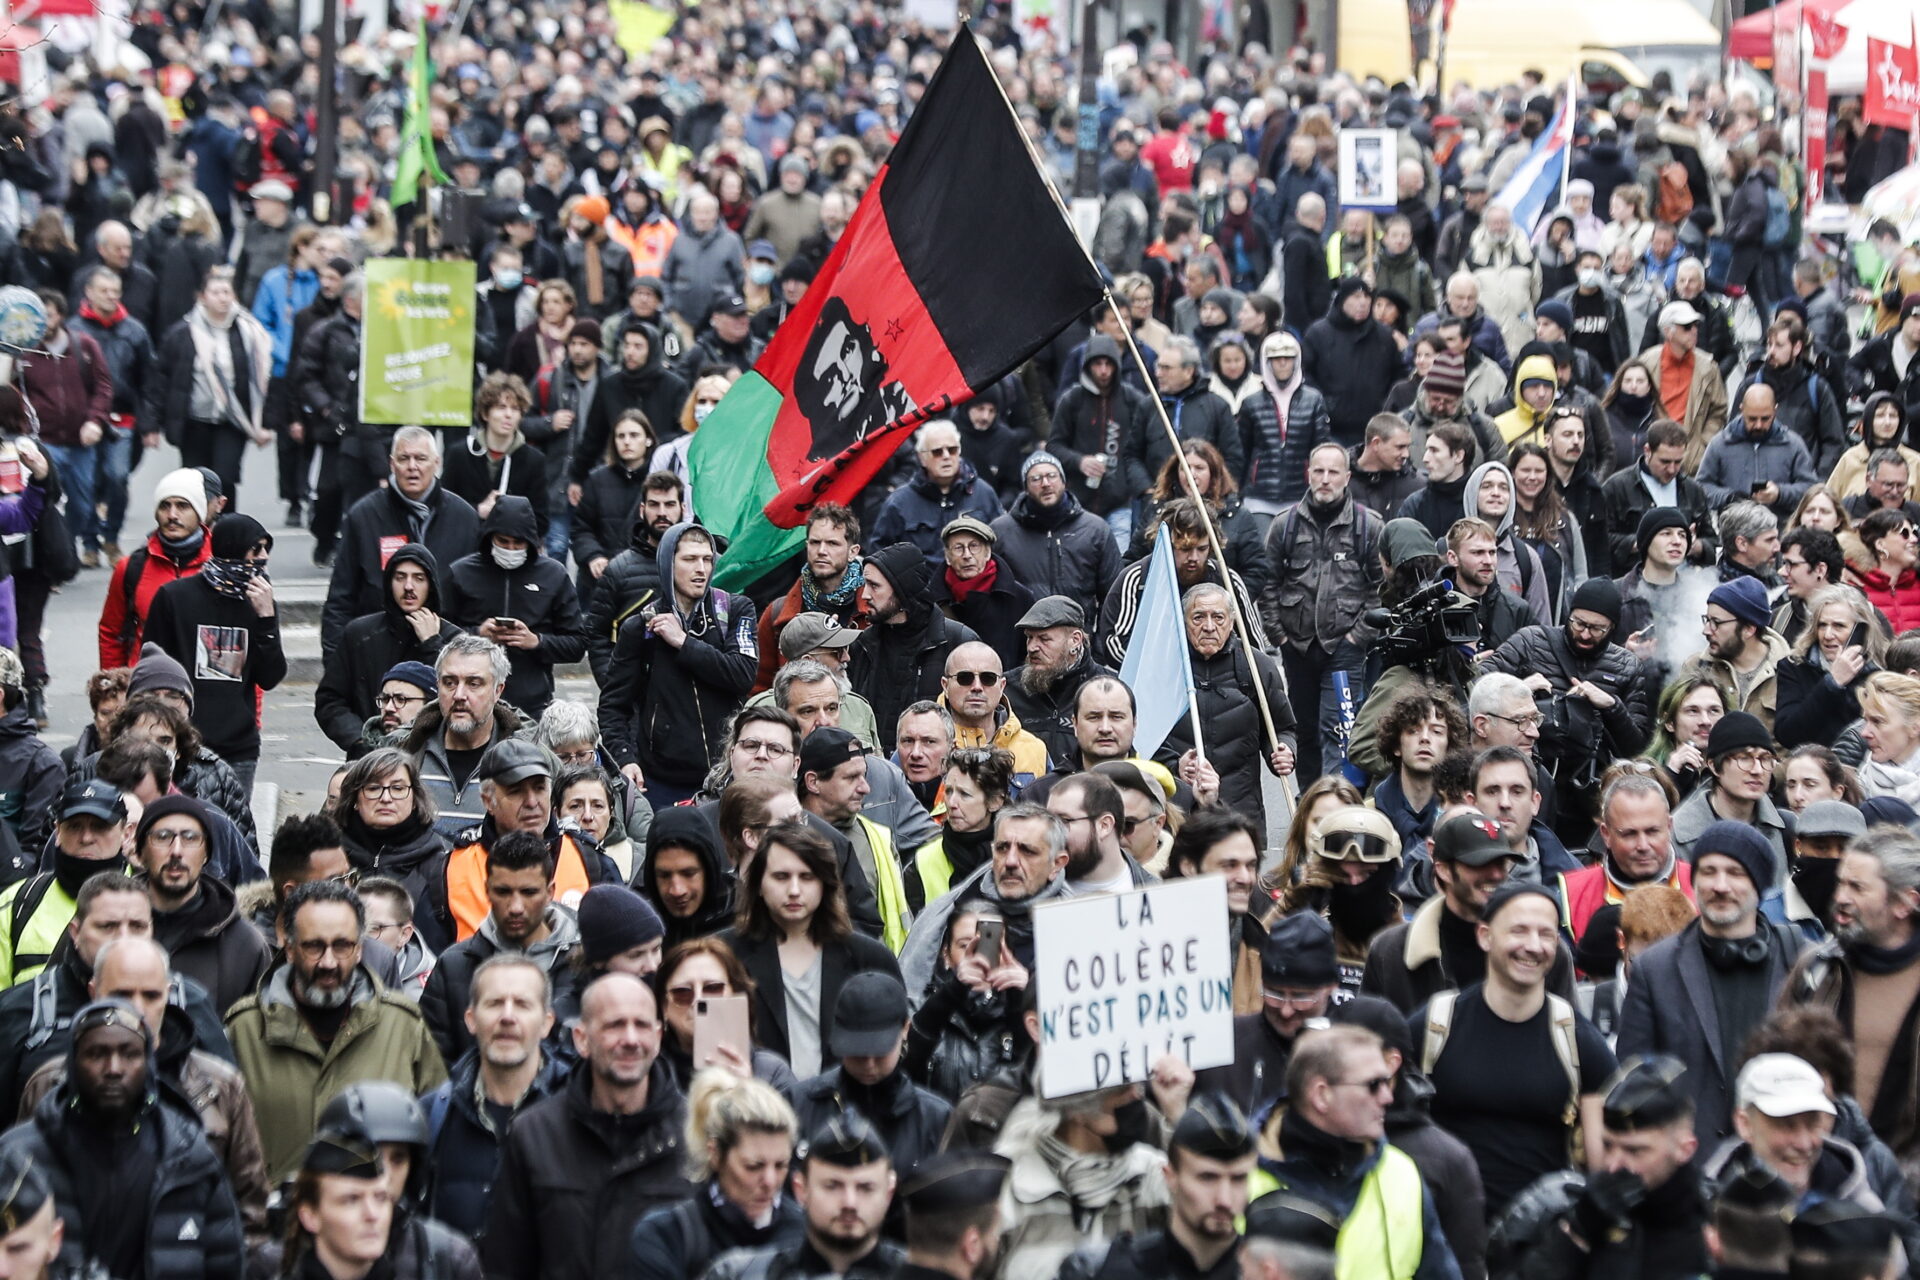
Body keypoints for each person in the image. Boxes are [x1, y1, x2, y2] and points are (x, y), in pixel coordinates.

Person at [17, 932, 269, 1240]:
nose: (138, 1008)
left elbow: (251, 1215)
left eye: (151, 995)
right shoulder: (50, 1085)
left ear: (168, 994)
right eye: (122, 994)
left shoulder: (220, 1086)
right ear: (94, 993)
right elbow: (21, 1200)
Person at [0, 999, 244, 1279]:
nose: (113, 1068)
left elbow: (226, 1262)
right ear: (72, 1063)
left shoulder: (188, 1155)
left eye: (129, 1054)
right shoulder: (19, 1157)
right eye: (96, 1054)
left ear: (149, 1062)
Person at [1415, 882, 1615, 1215]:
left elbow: (1601, 1162)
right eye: (1519, 931)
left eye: (1546, 934)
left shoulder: (1577, 1039)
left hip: (1540, 1242)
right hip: (1441, 1234)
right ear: (1485, 936)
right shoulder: (1436, 1024)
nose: (1533, 946)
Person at [225, 881, 448, 1180]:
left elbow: (437, 1134)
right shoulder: (245, 1030)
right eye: (314, 946)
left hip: (374, 1218)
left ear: (359, 950)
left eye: (342, 946)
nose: (328, 963)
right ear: (290, 949)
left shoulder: (403, 1026)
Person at [481, 972, 691, 1280]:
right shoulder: (535, 1135)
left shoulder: (697, 1136)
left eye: (642, 1025)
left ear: (658, 1037)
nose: (631, 1039)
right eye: (614, 1025)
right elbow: (507, 1265)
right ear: (582, 1039)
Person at [0, 873, 228, 1124]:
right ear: (75, 932)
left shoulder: (190, 1004)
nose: (124, 938)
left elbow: (229, 1109)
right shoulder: (22, 1011)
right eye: (108, 926)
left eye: (137, 926)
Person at [1241, 1025, 1462, 1280]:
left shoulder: (1401, 1173)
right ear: (1321, 1095)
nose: (1387, 1097)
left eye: (1388, 1082)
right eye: (1373, 1085)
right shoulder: (1238, 1177)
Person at [1495, 1055, 1710, 1280]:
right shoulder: (1556, 1205)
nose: (1613, 1164)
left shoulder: (1715, 1220)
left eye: (1634, 1151)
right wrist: (1576, 1233)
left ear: (1685, 1149)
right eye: (1607, 1145)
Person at [1778, 824, 1920, 1160]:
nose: (1840, 896)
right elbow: (1775, 1064)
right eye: (1841, 882)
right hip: (1819, 1176)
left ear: (1905, 903)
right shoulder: (1817, 968)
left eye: (1857, 887)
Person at [719, 820, 900, 1078]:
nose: (794, 890)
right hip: (756, 1105)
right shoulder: (723, 956)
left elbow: (895, 1048)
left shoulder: (869, 958)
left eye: (806, 877)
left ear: (825, 884)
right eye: (781, 877)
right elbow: (712, 1057)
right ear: (758, 883)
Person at [600, 521, 758, 805]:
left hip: (728, 776)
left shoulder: (735, 609)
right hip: (662, 782)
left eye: (707, 559)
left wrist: (684, 643)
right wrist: (624, 758)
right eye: (690, 559)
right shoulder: (641, 627)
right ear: (667, 564)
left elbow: (743, 674)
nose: (701, 568)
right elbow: (613, 705)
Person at [1480, 577, 1653, 829]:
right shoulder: (1531, 641)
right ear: (1568, 615)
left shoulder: (1627, 666)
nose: (1584, 633)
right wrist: (1518, 689)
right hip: (1527, 773)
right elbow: (1477, 686)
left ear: (1612, 628)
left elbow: (1637, 748)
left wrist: (1611, 706)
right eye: (1578, 623)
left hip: (1587, 791)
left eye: (1597, 628)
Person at [139, 512, 285, 792]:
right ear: (232, 548)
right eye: (256, 549)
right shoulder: (174, 597)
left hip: (238, 746)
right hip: (181, 742)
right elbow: (152, 665)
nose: (263, 557)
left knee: (233, 828)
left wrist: (266, 619)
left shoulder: (260, 603)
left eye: (267, 548)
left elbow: (270, 676)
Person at [1263, 444, 1384, 781]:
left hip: (1344, 650)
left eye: (1333, 472)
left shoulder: (1368, 526)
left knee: (1339, 728)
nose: (1325, 479)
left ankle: (1334, 800)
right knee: (1302, 729)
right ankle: (1307, 804)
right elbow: (1267, 583)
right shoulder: (1284, 525)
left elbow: (1381, 589)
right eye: (1319, 471)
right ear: (1309, 473)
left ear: (1347, 477)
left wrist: (1358, 636)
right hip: (1296, 646)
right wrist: (1279, 635)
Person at [419, 830, 580, 1066]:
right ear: (487, 890)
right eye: (503, 892)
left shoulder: (586, 963)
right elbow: (431, 1070)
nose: (515, 907)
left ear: (550, 892)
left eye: (528, 892)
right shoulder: (453, 966)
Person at [629, 1071, 804, 1280]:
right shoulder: (667, 1234)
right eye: (753, 1167)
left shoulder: (805, 1234)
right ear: (716, 1154)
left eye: (781, 1166)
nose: (770, 1181)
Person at [322, 428, 481, 652]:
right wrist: (335, 663)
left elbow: (476, 599)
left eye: (421, 458)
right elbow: (341, 597)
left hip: (445, 651)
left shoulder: (464, 518)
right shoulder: (363, 516)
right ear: (391, 463)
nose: (412, 467)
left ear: (437, 463)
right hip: (378, 649)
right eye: (404, 458)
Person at [1155, 582, 1296, 833]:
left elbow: (1283, 728)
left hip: (1239, 811)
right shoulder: (1163, 667)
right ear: (1183, 620)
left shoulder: (1256, 666)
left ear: (1231, 621)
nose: (1209, 626)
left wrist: (1285, 753)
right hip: (1177, 811)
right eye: (1198, 617)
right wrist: (1174, 764)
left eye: (1218, 617)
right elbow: (1142, 736)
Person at [704, 1110, 904, 1280]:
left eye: (865, 1188)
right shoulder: (739, 1274)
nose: (849, 1203)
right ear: (801, 1189)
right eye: (832, 1186)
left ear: (889, 1192)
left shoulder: (925, 1275)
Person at [441, 495, 587, 720]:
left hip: (532, 701)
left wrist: (536, 642)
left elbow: (577, 644)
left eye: (518, 543)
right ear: (490, 538)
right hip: (470, 700)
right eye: (503, 541)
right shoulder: (461, 573)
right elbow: (438, 632)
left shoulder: (553, 575)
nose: (511, 549)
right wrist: (476, 635)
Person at [793, 968, 950, 1177]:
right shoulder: (799, 1104)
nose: (869, 1064)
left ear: (905, 1029)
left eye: (880, 1052)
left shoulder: (935, 1119)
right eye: (856, 1052)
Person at [315, 543, 463, 757]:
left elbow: (461, 701)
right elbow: (330, 700)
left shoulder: (453, 639)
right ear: (388, 582)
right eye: (400, 577)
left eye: (418, 578)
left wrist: (432, 644)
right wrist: (360, 739)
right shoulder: (360, 634)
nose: (409, 586)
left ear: (431, 585)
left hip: (434, 759)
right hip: (369, 759)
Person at [132, 792, 271, 1014]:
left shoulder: (244, 946)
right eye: (162, 836)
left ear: (206, 853)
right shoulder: (106, 923)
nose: (176, 851)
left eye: (190, 838)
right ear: (140, 853)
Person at [145, 265, 273, 503]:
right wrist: (151, 424)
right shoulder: (181, 334)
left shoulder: (248, 332)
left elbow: (260, 378)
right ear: (202, 297)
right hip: (194, 420)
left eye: (227, 292)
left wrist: (265, 421)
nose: (223, 298)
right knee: (196, 481)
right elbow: (161, 378)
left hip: (233, 420)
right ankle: (200, 534)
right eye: (216, 292)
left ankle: (226, 531)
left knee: (225, 477)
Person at [848, 543, 979, 755]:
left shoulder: (958, 642)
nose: (865, 595)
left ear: (901, 589)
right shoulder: (863, 645)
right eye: (865, 585)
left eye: (874, 586)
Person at [0, 780, 130, 989]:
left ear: (126, 832)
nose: (86, 837)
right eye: (75, 826)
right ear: (57, 830)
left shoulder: (151, 899)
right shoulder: (17, 903)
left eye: (100, 826)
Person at [328, 748, 453, 951]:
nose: (386, 798)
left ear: (414, 799)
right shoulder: (331, 858)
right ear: (354, 800)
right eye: (374, 788)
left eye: (398, 788)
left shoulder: (441, 864)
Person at [97, 468, 214, 669]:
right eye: (164, 506)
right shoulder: (132, 567)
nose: (172, 515)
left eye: (183, 506)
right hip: (147, 690)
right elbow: (111, 633)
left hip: (206, 691)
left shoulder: (221, 565)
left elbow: (243, 644)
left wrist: (252, 701)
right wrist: (116, 689)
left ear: (200, 512)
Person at [1559, 773, 1694, 945]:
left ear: (1669, 827)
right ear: (1606, 834)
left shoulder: (1702, 887)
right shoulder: (1569, 894)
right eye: (1630, 834)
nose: (1643, 845)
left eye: (1652, 831)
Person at [990, 453, 1124, 618]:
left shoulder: (1095, 529)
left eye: (1051, 476)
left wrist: (1099, 640)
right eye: (1036, 479)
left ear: (1064, 481)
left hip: (1078, 637)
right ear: (1025, 487)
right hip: (1022, 636)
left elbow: (1114, 595)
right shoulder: (1001, 531)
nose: (1045, 484)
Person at [754, 504, 869, 695]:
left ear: (853, 551)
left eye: (832, 543)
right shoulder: (778, 614)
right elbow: (759, 686)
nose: (822, 551)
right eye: (815, 542)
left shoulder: (872, 612)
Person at [587, 472, 687, 682]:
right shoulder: (619, 569)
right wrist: (611, 685)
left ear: (683, 508)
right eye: (654, 504)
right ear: (642, 510)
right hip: (633, 694)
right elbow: (597, 634)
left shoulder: (702, 566)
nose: (662, 513)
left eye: (669, 504)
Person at [872, 421, 1005, 569]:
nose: (946, 456)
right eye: (937, 452)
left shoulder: (984, 493)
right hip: (920, 589)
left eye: (952, 450)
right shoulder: (898, 502)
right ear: (922, 457)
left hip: (973, 587)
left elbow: (1000, 546)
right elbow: (879, 556)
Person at [1003, 598, 1117, 768]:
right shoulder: (1007, 689)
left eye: (1044, 639)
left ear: (1075, 640)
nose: (1032, 647)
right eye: (1029, 637)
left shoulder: (1110, 689)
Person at [442, 373, 552, 537]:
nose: (508, 414)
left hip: (512, 549)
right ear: (485, 414)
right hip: (464, 548)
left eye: (515, 409)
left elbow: (541, 521)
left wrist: (505, 513)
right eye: (501, 407)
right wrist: (478, 510)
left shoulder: (534, 460)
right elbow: (443, 508)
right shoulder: (460, 453)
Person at [1625, 300, 1729, 470]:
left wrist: (1703, 445)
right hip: (1652, 454)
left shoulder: (1708, 367)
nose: (1694, 331)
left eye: (1695, 325)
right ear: (1668, 332)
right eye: (1687, 327)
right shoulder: (1647, 363)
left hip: (1692, 460)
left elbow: (1719, 411)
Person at [1777, 585, 1882, 750]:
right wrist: (1832, 683)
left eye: (1838, 626)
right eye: (1822, 625)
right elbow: (1787, 735)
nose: (1827, 635)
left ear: (1860, 630)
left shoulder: (1877, 673)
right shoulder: (1794, 666)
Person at [1681, 575, 1793, 731]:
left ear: (1748, 629)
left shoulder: (1790, 671)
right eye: (1707, 620)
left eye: (1716, 623)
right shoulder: (1696, 667)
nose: (1706, 630)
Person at [1698, 384, 1820, 520]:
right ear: (1741, 410)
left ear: (1775, 411)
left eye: (1765, 419)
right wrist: (1730, 497)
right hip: (1734, 530)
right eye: (1752, 419)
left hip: (1780, 531)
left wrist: (1779, 494)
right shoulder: (1720, 443)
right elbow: (1701, 488)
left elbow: (1811, 489)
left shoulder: (1793, 444)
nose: (1758, 425)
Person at [933, 516, 1036, 670]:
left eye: (974, 546)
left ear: (987, 553)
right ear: (948, 557)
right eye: (958, 548)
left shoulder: (1020, 597)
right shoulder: (932, 600)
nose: (967, 555)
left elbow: (1029, 655)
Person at [638, 806, 735, 950]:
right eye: (664, 876)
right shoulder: (641, 929)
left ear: (709, 870)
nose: (677, 890)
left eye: (688, 874)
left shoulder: (748, 920)